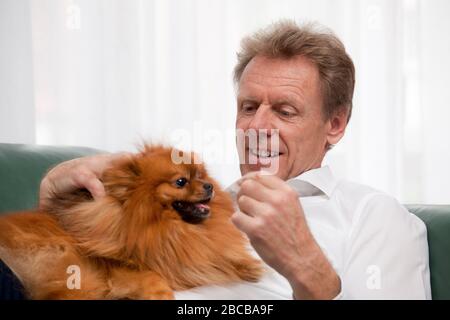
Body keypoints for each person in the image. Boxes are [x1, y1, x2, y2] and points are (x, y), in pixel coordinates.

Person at [37, 20, 431, 300]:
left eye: (285, 111)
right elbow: (78, 270)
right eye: (248, 106)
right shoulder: (193, 205)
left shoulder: (374, 216)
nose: (257, 126)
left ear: (335, 124)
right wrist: (53, 198)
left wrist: (311, 273)